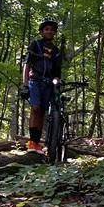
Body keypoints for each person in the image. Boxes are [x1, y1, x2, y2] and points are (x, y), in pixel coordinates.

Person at [20, 18, 63, 152]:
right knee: (36, 108)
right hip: (35, 81)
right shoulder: (35, 45)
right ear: (41, 31)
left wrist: (57, 81)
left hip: (48, 84)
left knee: (43, 112)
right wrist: (25, 84)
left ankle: (37, 142)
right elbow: (27, 65)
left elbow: (57, 71)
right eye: (46, 29)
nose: (49, 32)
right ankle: (32, 142)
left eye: (52, 30)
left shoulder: (56, 51)